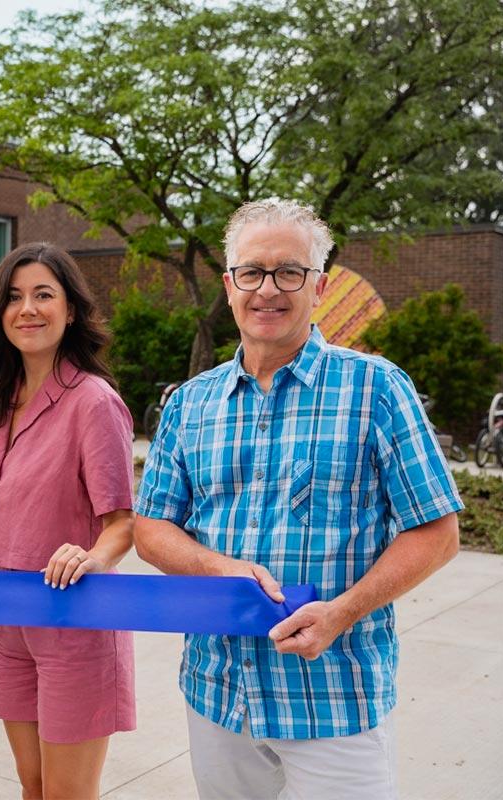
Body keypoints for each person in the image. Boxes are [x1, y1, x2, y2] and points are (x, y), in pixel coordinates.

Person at [134, 199, 463, 800]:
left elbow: (437, 533)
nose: (269, 289)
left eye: (290, 272)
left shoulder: (377, 389)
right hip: (218, 691)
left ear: (319, 286)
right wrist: (217, 568)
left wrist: (340, 613)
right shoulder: (189, 404)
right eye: (253, 272)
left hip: (333, 697)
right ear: (230, 285)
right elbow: (151, 527)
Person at [0, 242, 138, 799]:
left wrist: (91, 556)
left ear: (69, 310)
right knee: (33, 787)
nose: (27, 308)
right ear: (0, 314)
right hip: (8, 611)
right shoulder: (0, 399)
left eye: (43, 295)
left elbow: (123, 522)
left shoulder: (94, 401)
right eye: (15, 296)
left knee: (67, 796)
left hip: (73, 617)